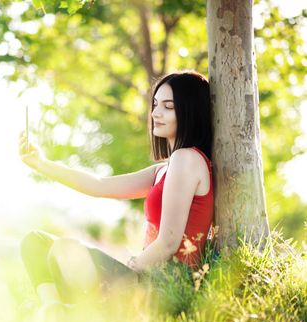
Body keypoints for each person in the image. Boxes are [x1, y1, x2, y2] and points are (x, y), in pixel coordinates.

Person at [18, 70, 214, 309]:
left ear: (190, 111)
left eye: (168, 106)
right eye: (155, 104)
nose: (155, 113)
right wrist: (41, 164)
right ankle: (54, 311)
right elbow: (98, 185)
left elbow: (169, 242)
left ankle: (76, 315)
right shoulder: (164, 169)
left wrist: (131, 266)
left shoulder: (188, 159)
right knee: (35, 241)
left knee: (65, 249)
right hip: (144, 277)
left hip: (165, 287)